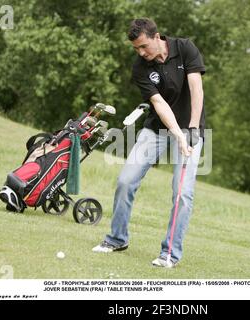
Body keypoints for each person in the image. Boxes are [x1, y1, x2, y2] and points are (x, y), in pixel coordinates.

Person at [92, 18, 206, 268]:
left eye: (144, 46)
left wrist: (193, 128)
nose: (141, 53)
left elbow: (197, 89)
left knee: (182, 193)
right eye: (136, 49)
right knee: (125, 180)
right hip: (157, 129)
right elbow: (159, 104)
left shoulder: (185, 48)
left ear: (157, 37)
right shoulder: (140, 68)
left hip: (192, 129)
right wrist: (176, 133)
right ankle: (117, 239)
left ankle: (170, 254)